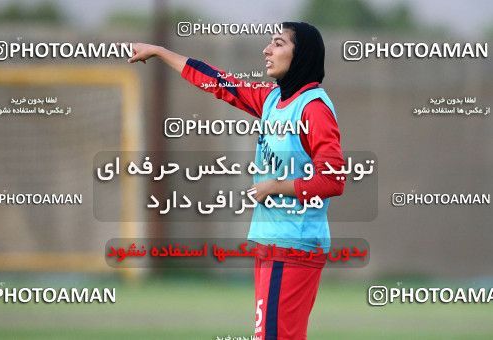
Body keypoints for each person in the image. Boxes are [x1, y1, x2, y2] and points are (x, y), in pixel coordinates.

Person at [127, 21, 345, 340]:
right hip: (273, 241)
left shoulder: (312, 109)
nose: (267, 50)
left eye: (279, 43)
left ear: (302, 56)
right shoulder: (272, 101)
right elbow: (218, 82)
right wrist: (161, 52)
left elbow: (333, 179)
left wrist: (275, 187)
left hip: (293, 243)